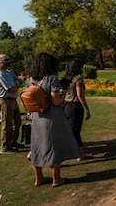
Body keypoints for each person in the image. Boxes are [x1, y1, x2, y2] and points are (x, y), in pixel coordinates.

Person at [28, 52, 80, 187]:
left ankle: (38, 178)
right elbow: (56, 101)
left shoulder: (32, 79)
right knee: (53, 146)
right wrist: (64, 94)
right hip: (51, 117)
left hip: (37, 117)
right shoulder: (51, 79)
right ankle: (56, 179)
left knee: (36, 146)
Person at [0, 54, 25, 154]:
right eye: (6, 60)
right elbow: (12, 88)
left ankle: (12, 142)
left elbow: (17, 79)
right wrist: (20, 81)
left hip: (12, 100)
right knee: (7, 125)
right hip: (4, 101)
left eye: (9, 59)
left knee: (17, 121)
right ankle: (4, 147)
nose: (8, 61)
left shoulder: (7, 72)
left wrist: (20, 78)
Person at [62, 58, 92, 162]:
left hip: (65, 105)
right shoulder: (78, 78)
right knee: (75, 131)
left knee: (69, 131)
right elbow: (80, 95)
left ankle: (80, 153)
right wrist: (87, 109)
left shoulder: (65, 78)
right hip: (75, 106)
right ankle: (79, 154)